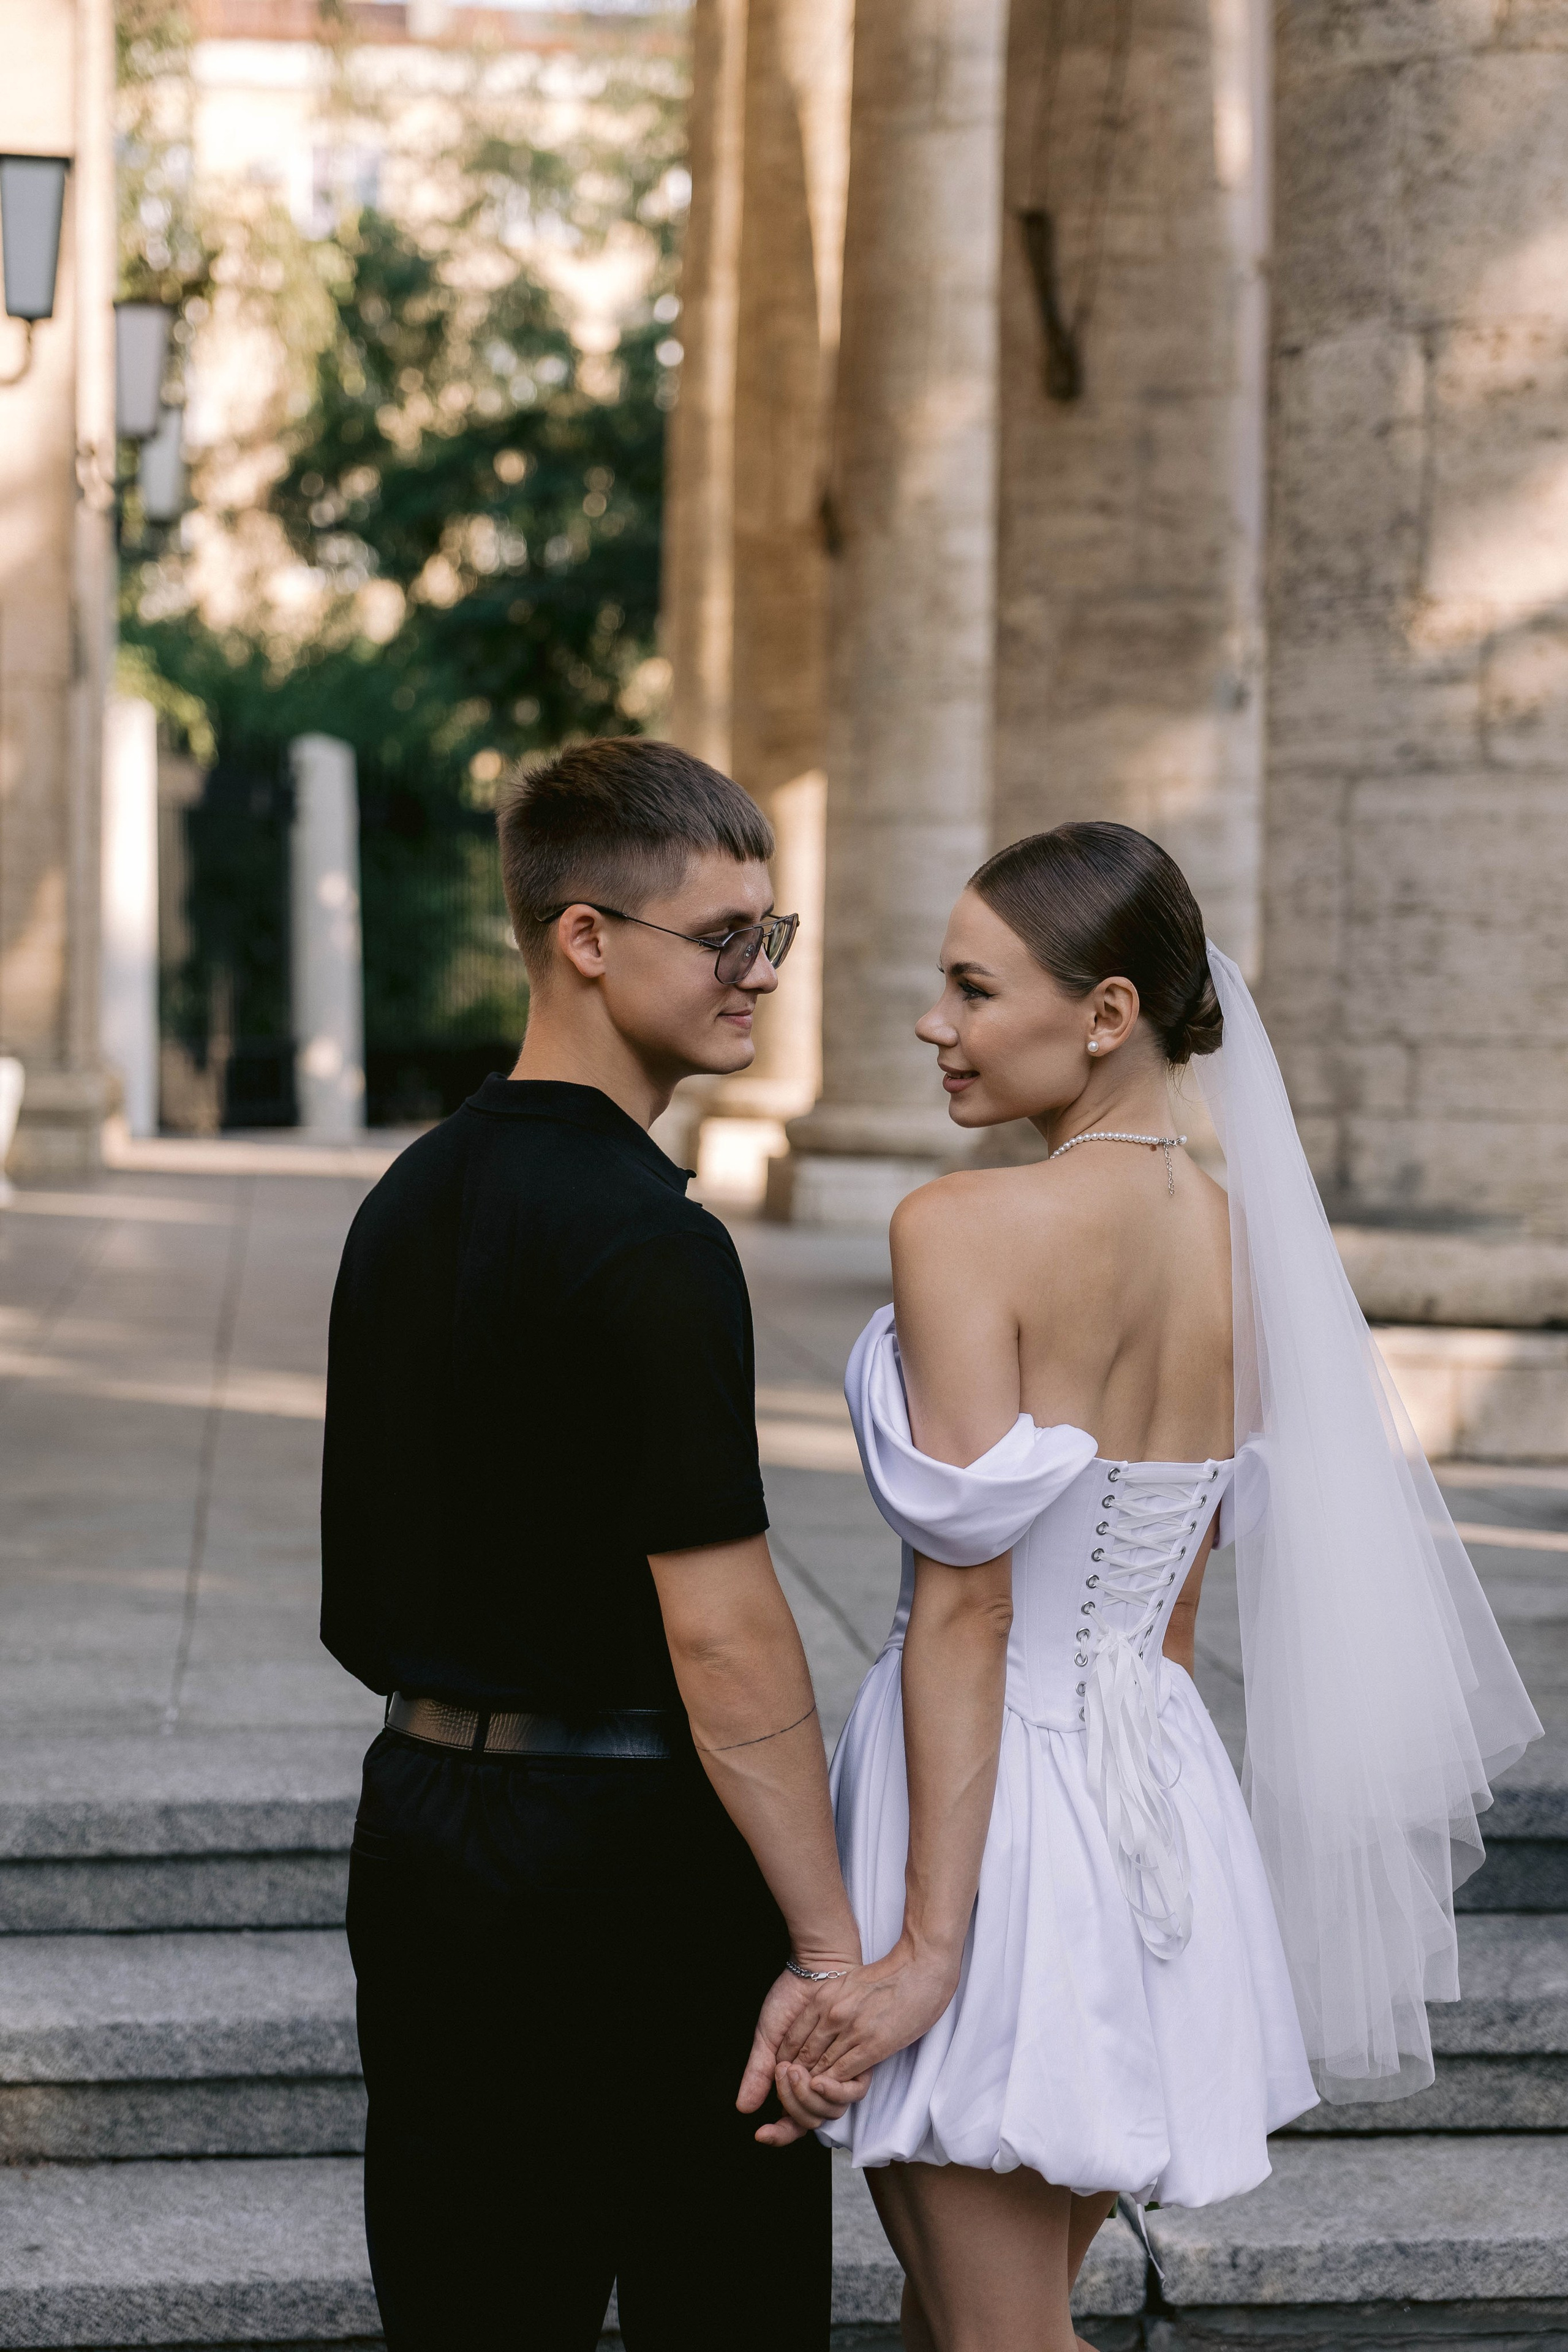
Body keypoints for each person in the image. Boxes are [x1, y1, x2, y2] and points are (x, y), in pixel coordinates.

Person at [761, 823, 1542, 2352]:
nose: (935, 1024)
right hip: (1152, 1798)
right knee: (973, 2320)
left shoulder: (960, 1227)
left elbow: (968, 1610)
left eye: (972, 991)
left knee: (997, 2340)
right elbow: (1172, 1610)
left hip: (986, 1821)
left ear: (1105, 1013)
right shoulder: (1246, 1246)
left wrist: (926, 1947)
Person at [320, 737, 864, 2351]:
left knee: (470, 2311)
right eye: (725, 938)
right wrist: (830, 1950)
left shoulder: (404, 1199)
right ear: (585, 937)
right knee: (727, 2308)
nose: (760, 975)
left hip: (423, 1825)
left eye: (775, 935)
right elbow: (726, 1637)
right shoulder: (654, 1241)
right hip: (636, 1857)